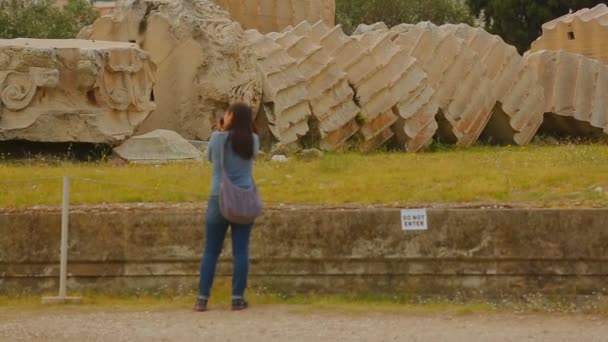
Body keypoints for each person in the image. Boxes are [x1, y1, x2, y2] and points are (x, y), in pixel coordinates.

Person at [195, 103, 260, 312]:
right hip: (243, 199)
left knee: (211, 250)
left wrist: (221, 131)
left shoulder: (217, 138)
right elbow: (252, 157)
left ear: (231, 117)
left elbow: (209, 159)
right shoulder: (253, 139)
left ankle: (202, 299)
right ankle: (237, 298)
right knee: (241, 251)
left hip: (218, 197)